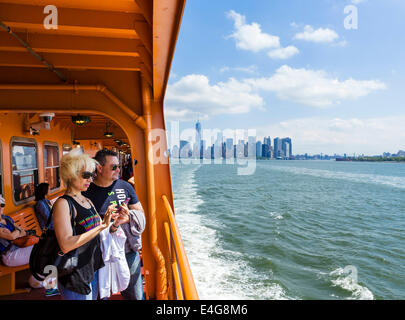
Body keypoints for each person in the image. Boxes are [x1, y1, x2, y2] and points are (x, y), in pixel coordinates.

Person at [52, 149, 116, 300]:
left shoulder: (87, 201)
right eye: (86, 175)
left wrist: (113, 223)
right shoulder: (63, 204)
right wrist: (101, 226)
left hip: (91, 269)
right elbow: (66, 244)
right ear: (71, 175)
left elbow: (99, 229)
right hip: (74, 274)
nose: (90, 179)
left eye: (92, 175)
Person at [83, 149, 146, 300]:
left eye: (118, 166)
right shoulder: (86, 191)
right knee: (100, 295)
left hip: (127, 250)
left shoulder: (125, 187)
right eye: (114, 167)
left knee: (135, 295)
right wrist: (106, 223)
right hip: (98, 253)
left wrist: (128, 217)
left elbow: (141, 214)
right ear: (99, 168)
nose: (118, 169)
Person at [0, 195, 43, 289]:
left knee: (46, 247)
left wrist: (16, 233)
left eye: (2, 204)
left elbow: (22, 231)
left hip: (20, 247)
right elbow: (11, 236)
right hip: (9, 255)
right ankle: (37, 280)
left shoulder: (6, 218)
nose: (0, 207)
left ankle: (38, 279)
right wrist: (16, 232)